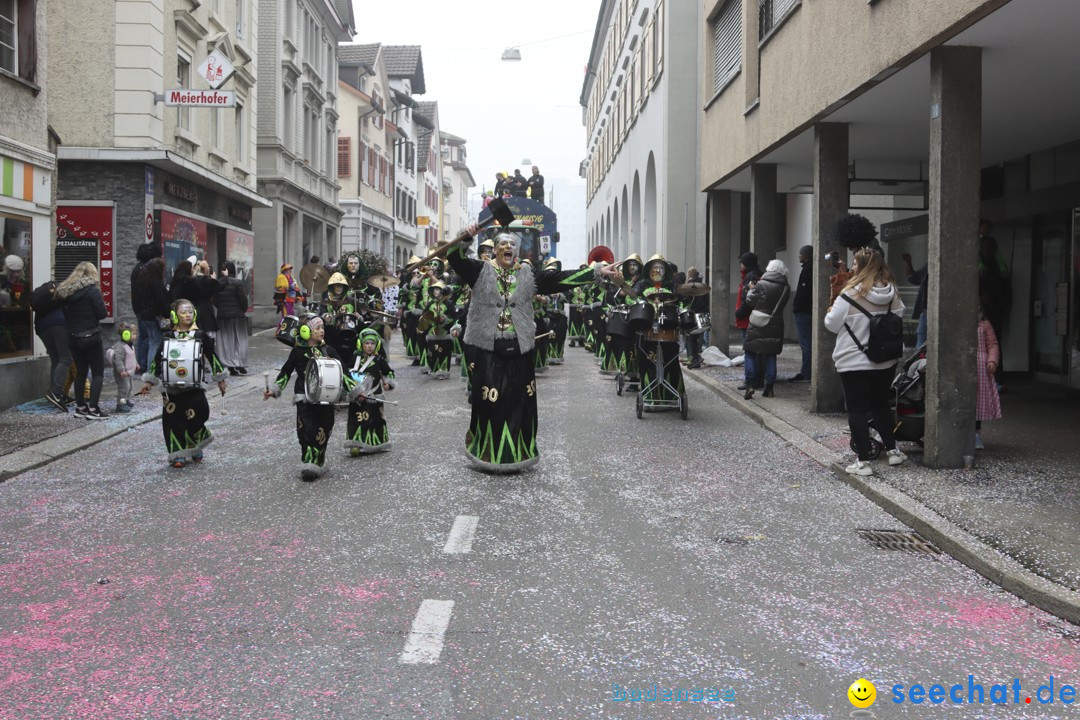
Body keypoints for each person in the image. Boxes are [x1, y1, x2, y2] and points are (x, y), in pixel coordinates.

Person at [445, 224, 616, 472]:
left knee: (519, 400)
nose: (508, 248)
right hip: (487, 345)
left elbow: (560, 279)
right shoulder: (479, 270)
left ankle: (518, 452)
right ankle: (487, 451)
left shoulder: (528, 274)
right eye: (503, 243)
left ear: (517, 251)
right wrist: (466, 236)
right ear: (494, 249)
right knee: (488, 400)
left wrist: (595, 272)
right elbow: (455, 259)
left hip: (520, 346)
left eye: (512, 245)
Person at [824, 247, 907, 477]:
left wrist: (834, 306)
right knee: (880, 405)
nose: (851, 267)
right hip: (884, 360)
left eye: (854, 264)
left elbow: (831, 324)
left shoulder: (849, 294)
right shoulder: (892, 293)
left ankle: (862, 461)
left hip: (853, 361)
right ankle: (893, 451)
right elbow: (899, 315)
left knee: (857, 409)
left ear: (861, 267)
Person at [264, 314, 359, 480]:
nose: (322, 331)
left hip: (325, 399)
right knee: (307, 431)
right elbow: (286, 372)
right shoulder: (297, 352)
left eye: (322, 328)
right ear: (305, 330)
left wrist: (355, 391)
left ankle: (318, 460)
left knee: (325, 427)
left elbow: (343, 371)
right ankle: (308, 464)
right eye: (317, 328)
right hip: (304, 398)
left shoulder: (329, 350)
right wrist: (275, 389)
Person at [140, 299, 228, 468]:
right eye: (183, 312)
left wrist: (221, 380)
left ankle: (196, 445)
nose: (187, 315)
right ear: (175, 316)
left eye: (190, 312)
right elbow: (158, 360)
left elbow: (212, 357)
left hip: (194, 387)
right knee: (173, 420)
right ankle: (177, 453)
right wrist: (149, 382)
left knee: (199, 415)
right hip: (171, 389)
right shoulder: (168, 337)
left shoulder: (201, 336)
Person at [57, 261, 109, 419]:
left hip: (73, 337)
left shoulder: (67, 292)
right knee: (98, 373)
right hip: (91, 336)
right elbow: (102, 314)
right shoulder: (92, 290)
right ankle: (94, 409)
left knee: (80, 371)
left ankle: (80, 408)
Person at [737, 259, 790, 399]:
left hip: (758, 322)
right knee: (771, 355)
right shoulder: (786, 287)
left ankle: (749, 385)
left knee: (750, 353)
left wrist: (751, 290)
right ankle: (769, 388)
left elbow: (750, 301)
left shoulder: (761, 284)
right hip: (775, 323)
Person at [345, 327, 396, 456]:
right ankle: (355, 444)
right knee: (356, 420)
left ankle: (377, 443)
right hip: (358, 396)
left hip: (374, 395)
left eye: (372, 343)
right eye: (367, 343)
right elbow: (348, 373)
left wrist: (388, 383)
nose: (369, 346)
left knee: (376, 420)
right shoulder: (355, 358)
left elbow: (389, 372)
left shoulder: (379, 360)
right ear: (361, 344)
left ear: (377, 345)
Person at [32, 277, 73, 412]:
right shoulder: (65, 290)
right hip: (59, 325)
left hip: (41, 328)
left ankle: (57, 393)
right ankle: (56, 393)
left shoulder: (46, 295)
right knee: (66, 358)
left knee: (56, 359)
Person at [131, 243, 169, 374]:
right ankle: (150, 368)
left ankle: (143, 365)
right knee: (153, 341)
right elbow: (159, 297)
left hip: (141, 310)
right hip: (151, 313)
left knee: (145, 338)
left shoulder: (138, 269)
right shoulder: (150, 274)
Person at [213, 261, 249, 375]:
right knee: (240, 340)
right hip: (238, 316)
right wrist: (243, 309)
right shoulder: (238, 283)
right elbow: (243, 300)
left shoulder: (218, 283)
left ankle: (230, 365)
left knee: (227, 341)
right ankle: (240, 363)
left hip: (223, 316)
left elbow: (215, 300)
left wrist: (222, 309)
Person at [734, 252, 762, 391]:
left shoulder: (750, 277)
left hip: (748, 319)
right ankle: (757, 379)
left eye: (741, 262)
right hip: (754, 318)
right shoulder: (755, 275)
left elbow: (748, 300)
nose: (740, 265)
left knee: (749, 351)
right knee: (755, 351)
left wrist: (739, 313)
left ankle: (750, 381)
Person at [171, 260, 221, 336]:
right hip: (194, 312)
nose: (193, 270)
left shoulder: (176, 281)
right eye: (191, 268)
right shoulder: (191, 281)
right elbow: (210, 289)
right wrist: (212, 280)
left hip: (179, 313)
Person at [976, 307, 1002, 450]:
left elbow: (992, 344)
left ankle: (976, 434)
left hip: (981, 367)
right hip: (963, 365)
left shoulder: (984, 324)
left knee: (978, 402)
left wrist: (992, 361)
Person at [789, 245, 814, 381]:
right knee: (807, 342)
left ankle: (806, 372)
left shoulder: (807, 270)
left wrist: (797, 307)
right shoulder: (810, 268)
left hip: (804, 311)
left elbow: (803, 292)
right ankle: (807, 371)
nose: (799, 257)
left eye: (800, 254)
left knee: (806, 343)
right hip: (807, 310)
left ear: (806, 255)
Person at [106, 322, 137, 414]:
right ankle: (120, 404)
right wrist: (121, 370)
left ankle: (126, 400)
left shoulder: (130, 345)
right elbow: (118, 360)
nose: (136, 335)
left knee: (130, 386)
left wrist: (136, 364)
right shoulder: (120, 347)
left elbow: (132, 356)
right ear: (126, 335)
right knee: (124, 387)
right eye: (134, 333)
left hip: (129, 372)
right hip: (122, 373)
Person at [682, 267, 709, 369]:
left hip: (693, 313)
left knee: (690, 336)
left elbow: (688, 301)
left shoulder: (690, 287)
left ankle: (694, 358)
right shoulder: (703, 286)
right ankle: (696, 357)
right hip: (702, 313)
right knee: (698, 337)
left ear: (690, 275)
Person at [901, 252, 928, 350]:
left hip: (933, 311)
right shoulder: (929, 267)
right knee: (920, 336)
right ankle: (920, 361)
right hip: (925, 312)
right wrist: (908, 262)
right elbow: (914, 278)